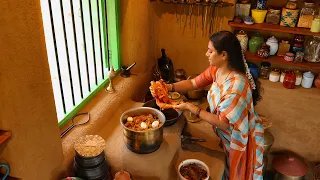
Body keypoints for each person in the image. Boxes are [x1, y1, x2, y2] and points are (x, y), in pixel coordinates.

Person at [167, 31, 264, 180]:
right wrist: (169, 88)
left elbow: (223, 123)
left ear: (223, 55)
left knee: (235, 174)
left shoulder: (236, 86)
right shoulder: (217, 70)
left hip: (238, 138)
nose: (206, 54)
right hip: (225, 136)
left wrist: (191, 107)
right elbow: (194, 83)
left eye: (210, 51)